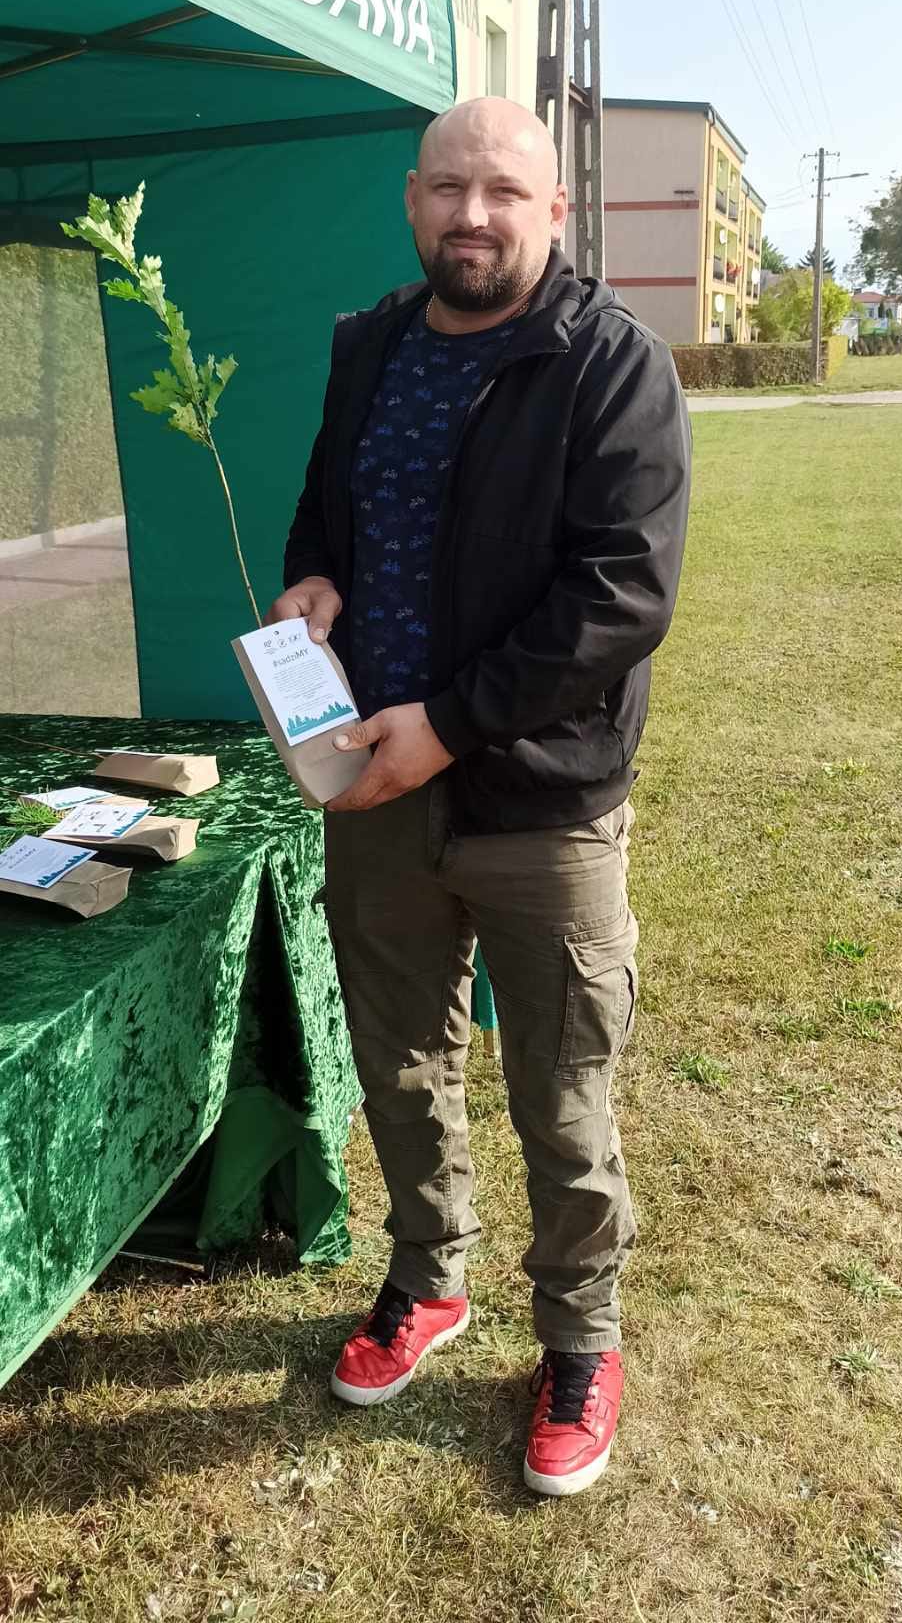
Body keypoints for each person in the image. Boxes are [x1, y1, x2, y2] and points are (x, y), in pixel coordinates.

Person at [267, 96, 690, 1497]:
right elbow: (330, 501)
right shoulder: (370, 347)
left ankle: (579, 1341)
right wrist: (314, 575)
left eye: (505, 191)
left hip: (539, 801)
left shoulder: (611, 365)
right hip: (372, 781)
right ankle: (427, 1278)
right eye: (449, 187)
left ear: (554, 211)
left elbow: (619, 596)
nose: (473, 215)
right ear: (411, 198)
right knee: (399, 1061)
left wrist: (446, 727)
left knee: (560, 1090)